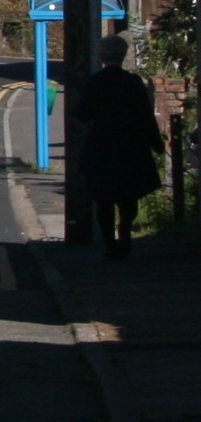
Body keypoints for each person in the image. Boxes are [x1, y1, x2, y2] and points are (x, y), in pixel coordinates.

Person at [83, 34, 165, 260]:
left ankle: (109, 244)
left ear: (102, 55)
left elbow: (81, 112)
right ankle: (125, 234)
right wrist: (156, 144)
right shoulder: (132, 82)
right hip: (131, 146)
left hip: (101, 146)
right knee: (129, 196)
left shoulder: (94, 81)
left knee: (103, 198)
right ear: (123, 55)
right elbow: (146, 116)